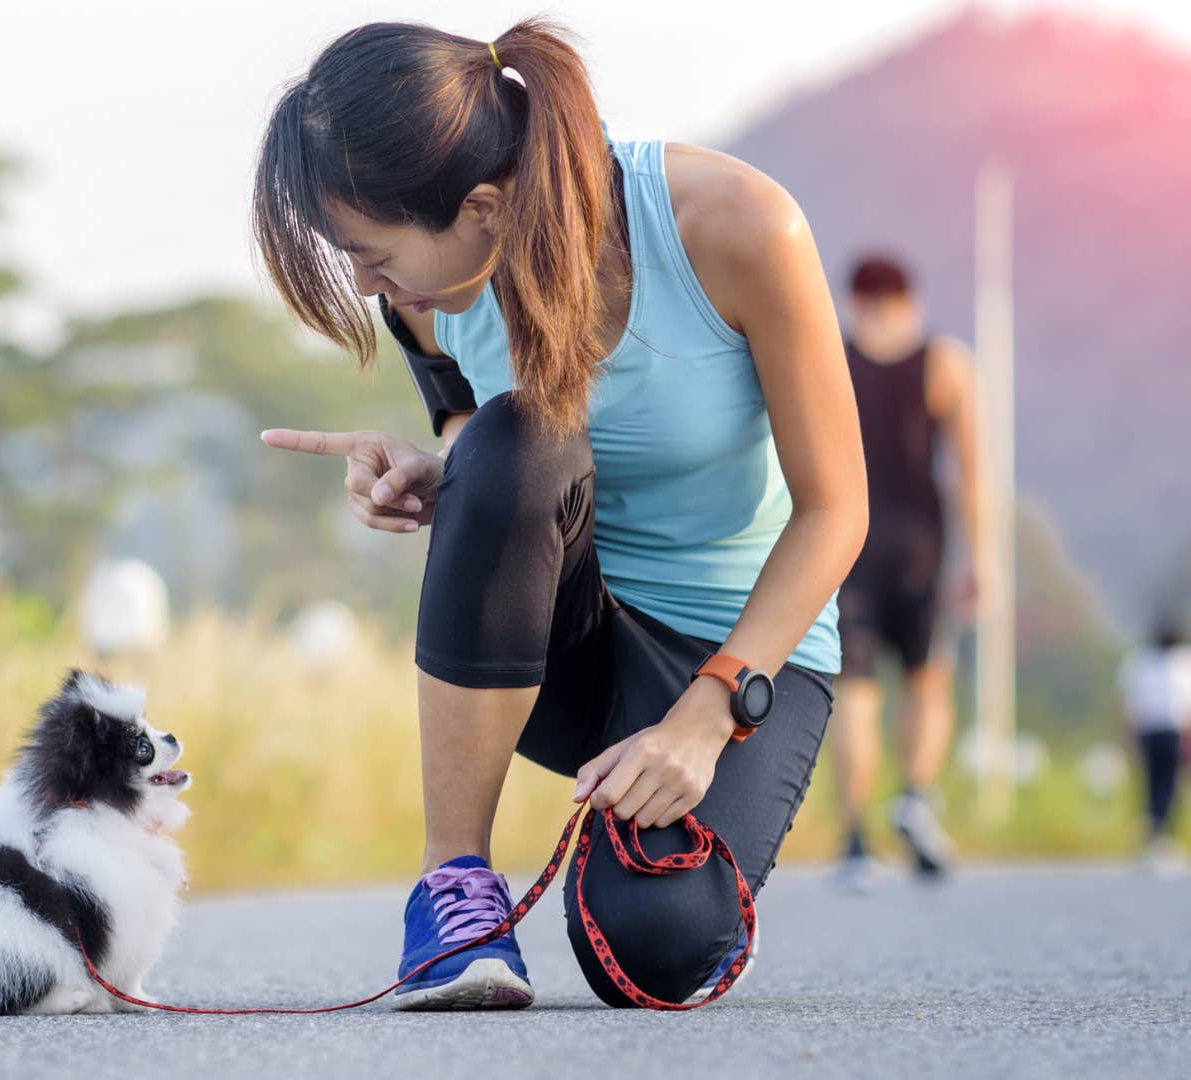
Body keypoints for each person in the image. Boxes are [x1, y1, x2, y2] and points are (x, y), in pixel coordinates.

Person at [252, 18, 865, 1009]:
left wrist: (706, 715)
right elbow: (487, 443)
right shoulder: (425, 289)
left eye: (370, 255)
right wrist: (441, 474)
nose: (363, 284)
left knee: (653, 952)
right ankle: (455, 890)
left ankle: (688, 887)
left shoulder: (736, 225)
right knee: (516, 439)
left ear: (484, 207)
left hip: (734, 646)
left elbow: (836, 510)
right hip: (560, 645)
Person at [829, 256, 987, 889]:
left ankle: (856, 841)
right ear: (910, 299)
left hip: (848, 544)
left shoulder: (832, 356)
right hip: (924, 548)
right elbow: (971, 470)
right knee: (927, 682)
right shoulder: (945, 363)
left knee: (855, 693)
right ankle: (915, 798)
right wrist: (980, 560)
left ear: (853, 299)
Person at [1119, 622, 1191, 873]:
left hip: (1165, 732)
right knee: (1160, 784)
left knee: (1164, 784)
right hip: (1159, 731)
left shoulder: (1146, 662)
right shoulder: (1155, 663)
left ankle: (1159, 835)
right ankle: (1156, 836)